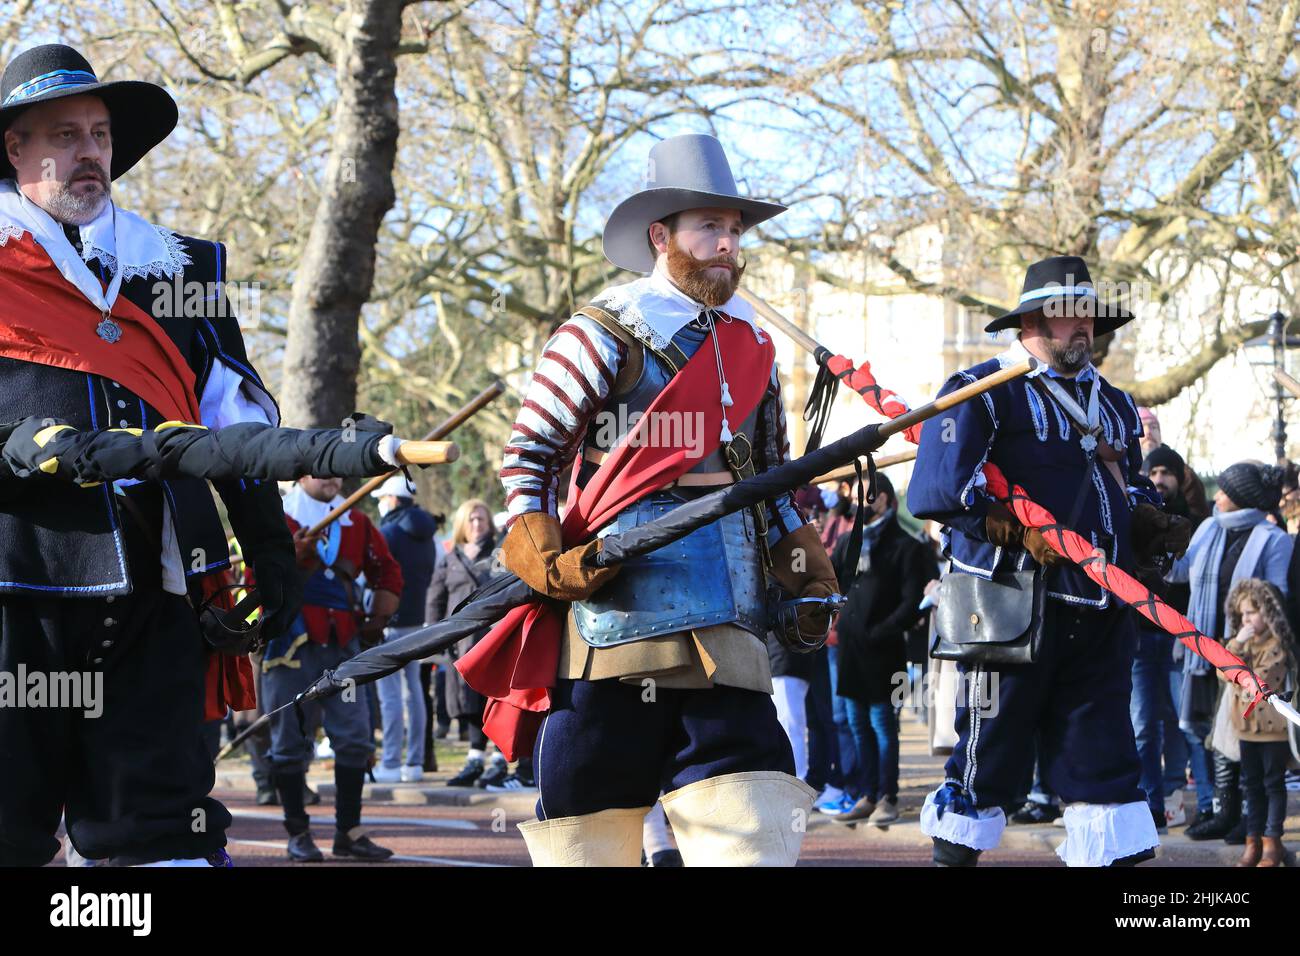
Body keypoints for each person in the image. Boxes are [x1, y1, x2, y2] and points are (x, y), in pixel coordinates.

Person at [476, 133, 839, 866]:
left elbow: (769, 477)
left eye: (735, 230)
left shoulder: (751, 344)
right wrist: (541, 547)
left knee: (757, 830)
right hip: (615, 620)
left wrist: (803, 564)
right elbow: (530, 455)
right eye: (710, 227)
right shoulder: (599, 331)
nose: (728, 245)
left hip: (732, 623)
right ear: (660, 235)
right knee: (590, 838)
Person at [0, 44, 300, 866]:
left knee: (158, 825)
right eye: (64, 133)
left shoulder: (180, 268)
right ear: (14, 149)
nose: (90, 151)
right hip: (18, 583)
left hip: (160, 581)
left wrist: (266, 540)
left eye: (99, 133)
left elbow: (232, 423)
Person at [908, 255, 1192, 867]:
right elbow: (935, 491)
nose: (1081, 328)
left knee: (1108, 774)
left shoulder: (1115, 403)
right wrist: (1008, 528)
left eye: (1088, 315)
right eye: (1067, 316)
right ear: (1032, 321)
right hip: (1008, 615)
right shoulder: (981, 392)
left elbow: (1125, 487)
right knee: (985, 770)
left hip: (1100, 613)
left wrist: (1143, 517)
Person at [260, 475, 403, 862]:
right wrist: (287, 559)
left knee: (355, 738)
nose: (331, 479)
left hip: (344, 645)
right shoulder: (274, 517)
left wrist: (379, 613)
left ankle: (349, 832)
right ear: (302, 474)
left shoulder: (357, 522)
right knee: (289, 743)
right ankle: (298, 832)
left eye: (336, 471)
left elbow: (386, 570)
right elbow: (252, 581)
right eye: (321, 470)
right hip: (290, 645)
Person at [1169, 461, 1292, 842]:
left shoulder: (1273, 538)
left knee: (1239, 735)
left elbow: (1275, 598)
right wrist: (1163, 547)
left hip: (1244, 656)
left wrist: (1244, 635)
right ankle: (1222, 810)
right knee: (1209, 733)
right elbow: (1179, 573)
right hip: (1202, 643)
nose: (1216, 496)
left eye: (1224, 491)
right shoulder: (1208, 527)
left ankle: (1246, 819)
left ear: (1239, 498)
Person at [830, 473, 936, 825]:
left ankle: (888, 797)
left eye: (870, 496)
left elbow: (911, 604)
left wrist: (880, 632)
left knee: (883, 725)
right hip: (850, 650)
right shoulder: (848, 542)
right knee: (857, 724)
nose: (862, 502)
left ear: (886, 499)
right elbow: (830, 582)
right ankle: (867, 793)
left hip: (886, 652)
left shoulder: (907, 546)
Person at [426, 499, 529, 789]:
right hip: (459, 640)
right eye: (471, 519)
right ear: (461, 523)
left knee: (492, 698)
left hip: (492, 638)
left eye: (481, 519)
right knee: (465, 700)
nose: (476, 524)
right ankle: (473, 758)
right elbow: (436, 597)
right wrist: (433, 634)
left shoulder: (500, 552)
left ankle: (497, 759)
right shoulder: (450, 557)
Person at [1131, 444, 1202, 830]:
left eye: (1166, 473)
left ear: (1179, 477)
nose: (1159, 480)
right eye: (1153, 473)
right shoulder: (1135, 518)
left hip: (1180, 639)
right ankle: (1148, 801)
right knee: (1142, 723)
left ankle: (1174, 794)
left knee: (1178, 722)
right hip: (1139, 637)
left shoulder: (1196, 523)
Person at [1220, 579, 1296, 867]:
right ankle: (1254, 842)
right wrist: (1237, 642)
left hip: (1272, 731)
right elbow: (1223, 670)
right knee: (1251, 786)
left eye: (1251, 612)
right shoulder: (1244, 643)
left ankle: (1272, 842)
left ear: (1267, 612)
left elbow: (1259, 681)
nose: (1246, 620)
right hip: (1246, 729)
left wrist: (1237, 674)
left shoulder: (1277, 645)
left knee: (1273, 785)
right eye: (1241, 615)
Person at [369, 474, 439, 783]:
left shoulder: (386, 533)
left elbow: (370, 579)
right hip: (419, 625)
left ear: (393, 500)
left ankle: (391, 763)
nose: (381, 505)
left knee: (391, 697)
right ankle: (415, 764)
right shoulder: (430, 536)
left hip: (390, 625)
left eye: (383, 499)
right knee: (416, 695)